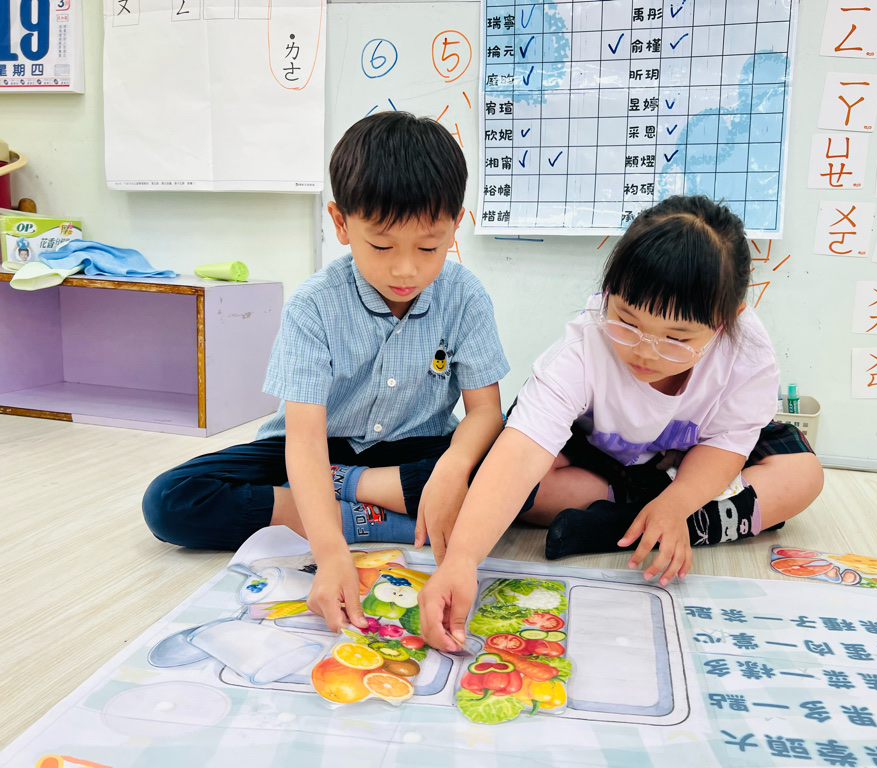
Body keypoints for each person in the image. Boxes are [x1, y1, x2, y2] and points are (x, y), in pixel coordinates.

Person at [143, 112, 509, 632]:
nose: (406, 269)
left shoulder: (465, 295)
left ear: (455, 226)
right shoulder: (314, 305)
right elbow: (305, 444)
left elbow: (486, 411)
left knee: (509, 467)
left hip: (416, 449)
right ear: (340, 223)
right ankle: (366, 512)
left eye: (429, 247)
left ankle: (352, 495)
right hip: (315, 448)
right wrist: (331, 551)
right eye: (381, 245)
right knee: (170, 500)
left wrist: (452, 468)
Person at [419, 195, 824, 652]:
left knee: (803, 473)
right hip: (598, 457)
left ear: (726, 322)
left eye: (676, 338)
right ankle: (660, 521)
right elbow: (522, 451)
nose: (645, 352)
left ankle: (650, 519)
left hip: (685, 463)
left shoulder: (745, 351)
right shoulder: (584, 346)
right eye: (627, 322)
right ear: (609, 291)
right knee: (513, 482)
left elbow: (727, 444)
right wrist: (461, 562)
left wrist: (678, 502)